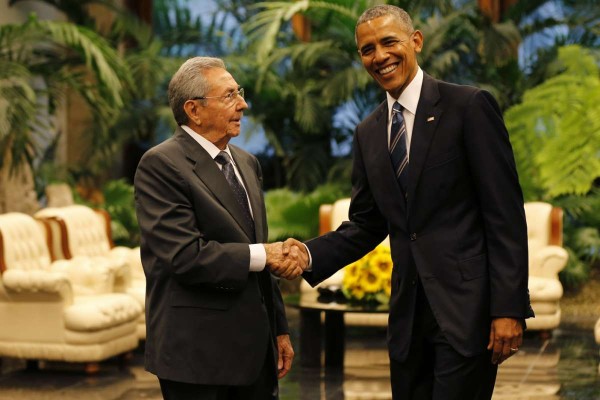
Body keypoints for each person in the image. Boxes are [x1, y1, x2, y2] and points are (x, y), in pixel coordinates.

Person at [283, 5, 534, 399]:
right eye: (367, 50)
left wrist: (508, 308)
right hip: (407, 322)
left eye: (389, 42)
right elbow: (366, 224)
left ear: (416, 41)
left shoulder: (468, 107)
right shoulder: (368, 132)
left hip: (466, 314)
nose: (379, 56)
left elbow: (504, 216)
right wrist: (308, 255)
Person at [134, 56, 305, 400]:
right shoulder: (161, 164)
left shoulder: (246, 162)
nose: (243, 104)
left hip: (256, 353)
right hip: (197, 356)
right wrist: (265, 254)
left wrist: (279, 329)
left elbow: (257, 248)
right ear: (194, 110)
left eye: (239, 92)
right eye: (229, 96)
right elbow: (185, 257)